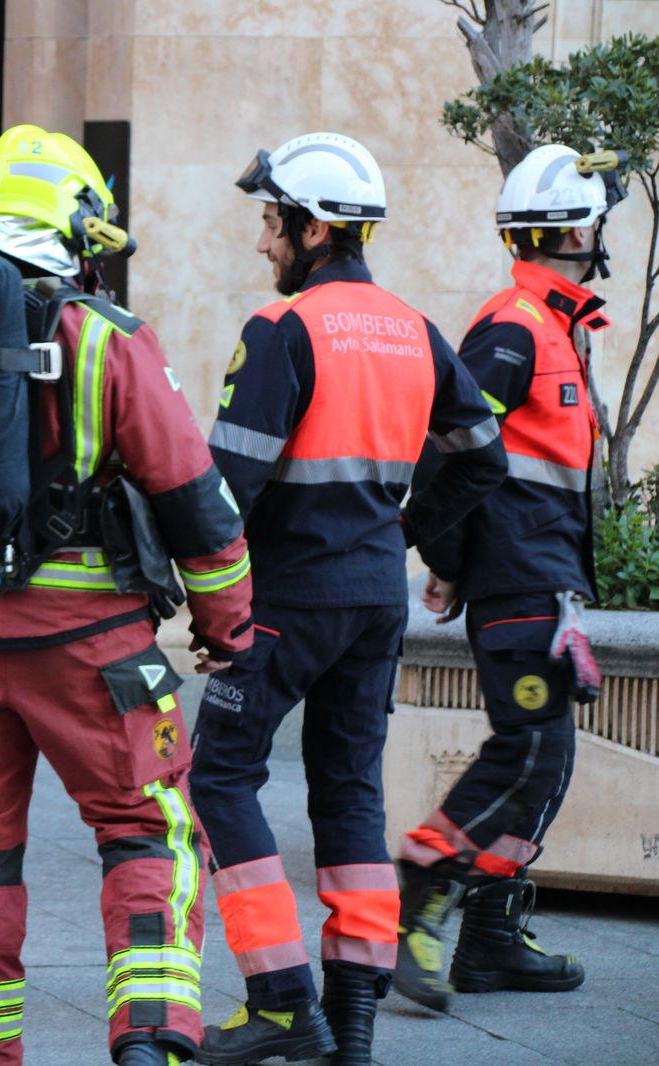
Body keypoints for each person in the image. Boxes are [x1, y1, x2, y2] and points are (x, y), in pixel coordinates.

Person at [0, 124, 255, 1066]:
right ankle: (149, 1040)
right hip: (95, 649)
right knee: (148, 834)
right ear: (73, 219)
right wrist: (228, 626)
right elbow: (196, 501)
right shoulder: (107, 341)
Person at [189, 132, 507, 1066]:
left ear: (315, 227)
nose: (262, 242)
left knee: (218, 777)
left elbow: (227, 486)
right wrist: (401, 533)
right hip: (374, 600)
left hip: (290, 594)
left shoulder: (282, 330)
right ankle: (351, 1020)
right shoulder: (413, 326)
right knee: (348, 791)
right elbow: (480, 454)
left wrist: (203, 595)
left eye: (271, 220)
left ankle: (283, 1002)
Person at [393, 144, 628, 1012]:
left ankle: (489, 936)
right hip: (514, 578)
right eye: (595, 218)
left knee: (549, 758)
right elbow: (446, 442)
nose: (603, 230)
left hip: (543, 579)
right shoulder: (512, 328)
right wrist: (443, 555)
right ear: (572, 231)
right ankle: (425, 878)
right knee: (524, 744)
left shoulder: (555, 324)